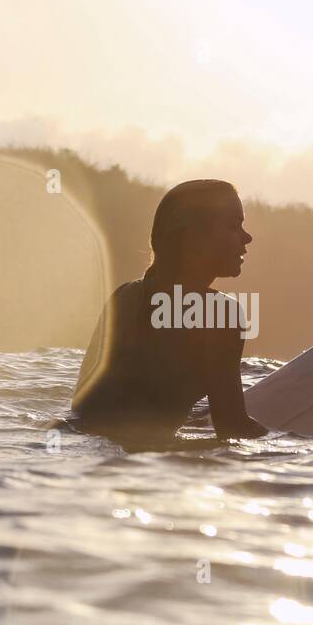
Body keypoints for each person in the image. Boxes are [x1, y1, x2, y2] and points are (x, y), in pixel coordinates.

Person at [71, 179, 268, 445]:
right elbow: (232, 430)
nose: (247, 237)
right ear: (193, 239)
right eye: (233, 226)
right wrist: (303, 445)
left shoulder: (124, 296)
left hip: (77, 446)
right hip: (139, 464)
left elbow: (83, 408)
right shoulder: (219, 313)